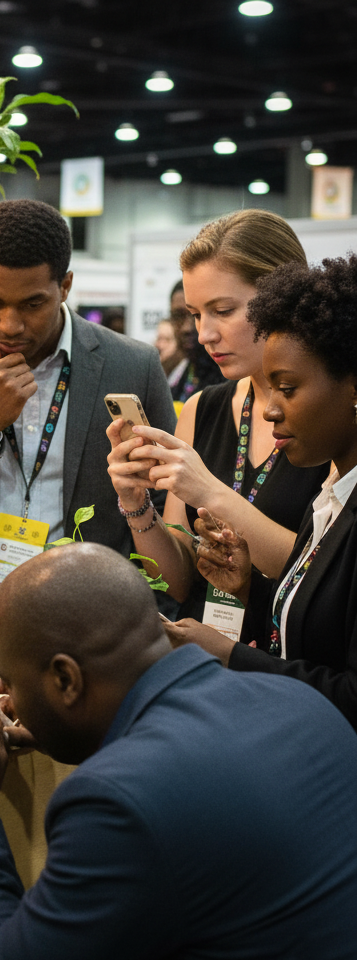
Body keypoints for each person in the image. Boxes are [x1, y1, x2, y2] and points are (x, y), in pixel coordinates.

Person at [0, 542, 357, 960]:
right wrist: (72, 731)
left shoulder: (120, 801)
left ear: (66, 680)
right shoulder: (302, 704)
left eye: (10, 682)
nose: (8, 698)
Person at [0, 199, 176, 662]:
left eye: (32, 304)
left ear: (64, 286)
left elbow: (167, 517)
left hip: (94, 638)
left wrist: (153, 630)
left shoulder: (133, 366)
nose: (10, 325)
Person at [166, 253, 357, 730]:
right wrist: (249, 589)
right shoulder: (331, 498)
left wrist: (231, 656)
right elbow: (309, 636)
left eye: (287, 389)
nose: (270, 411)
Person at [106, 210, 327, 622]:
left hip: (291, 664)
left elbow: (326, 575)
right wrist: (135, 503)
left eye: (223, 310)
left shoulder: (330, 413)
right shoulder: (201, 409)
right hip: (205, 653)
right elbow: (177, 580)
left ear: (281, 296)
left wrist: (209, 493)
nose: (204, 333)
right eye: (194, 313)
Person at [168, 277, 220, 399]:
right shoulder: (173, 371)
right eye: (178, 316)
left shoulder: (232, 376)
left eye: (196, 315)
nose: (187, 328)